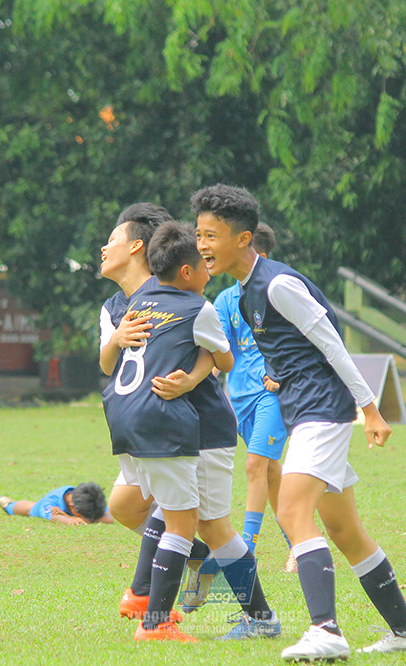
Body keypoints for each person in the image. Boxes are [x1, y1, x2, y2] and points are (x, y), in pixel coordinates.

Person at [193, 184, 406, 661]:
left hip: (322, 411)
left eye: (211, 235)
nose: (201, 245)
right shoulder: (242, 296)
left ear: (244, 238)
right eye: (198, 234)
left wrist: (371, 409)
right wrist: (278, 378)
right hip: (303, 409)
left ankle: (326, 630)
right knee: (345, 532)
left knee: (293, 512)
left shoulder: (279, 284)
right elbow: (291, 351)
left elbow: (331, 344)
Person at [104, 219, 279, 642]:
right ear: (185, 269)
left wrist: (190, 378)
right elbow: (225, 359)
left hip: (148, 423)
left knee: (196, 522)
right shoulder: (189, 305)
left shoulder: (142, 302)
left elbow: (209, 358)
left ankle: (158, 600)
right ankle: (160, 618)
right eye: (201, 259)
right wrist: (189, 378)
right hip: (182, 427)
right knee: (201, 523)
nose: (208, 266)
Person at [99, 203, 208, 625]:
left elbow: (211, 350)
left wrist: (192, 381)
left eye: (112, 240)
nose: (104, 248)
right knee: (125, 507)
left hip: (178, 419)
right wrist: (118, 338)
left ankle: (144, 597)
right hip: (138, 419)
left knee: (175, 509)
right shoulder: (113, 306)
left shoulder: (174, 288)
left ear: (137, 246)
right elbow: (106, 363)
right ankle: (196, 556)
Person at [212, 222, 294, 571]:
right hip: (239, 399)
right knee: (270, 473)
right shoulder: (225, 300)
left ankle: (247, 548)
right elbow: (219, 352)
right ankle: (300, 544)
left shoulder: (279, 292)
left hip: (272, 394)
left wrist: (284, 374)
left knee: (255, 465)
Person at [0, 483, 112, 525]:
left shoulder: (92, 498)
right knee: (30, 509)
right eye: (85, 516)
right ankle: (8, 505)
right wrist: (70, 520)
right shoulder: (51, 501)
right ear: (72, 507)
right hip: (42, 506)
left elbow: (110, 517)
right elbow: (55, 517)